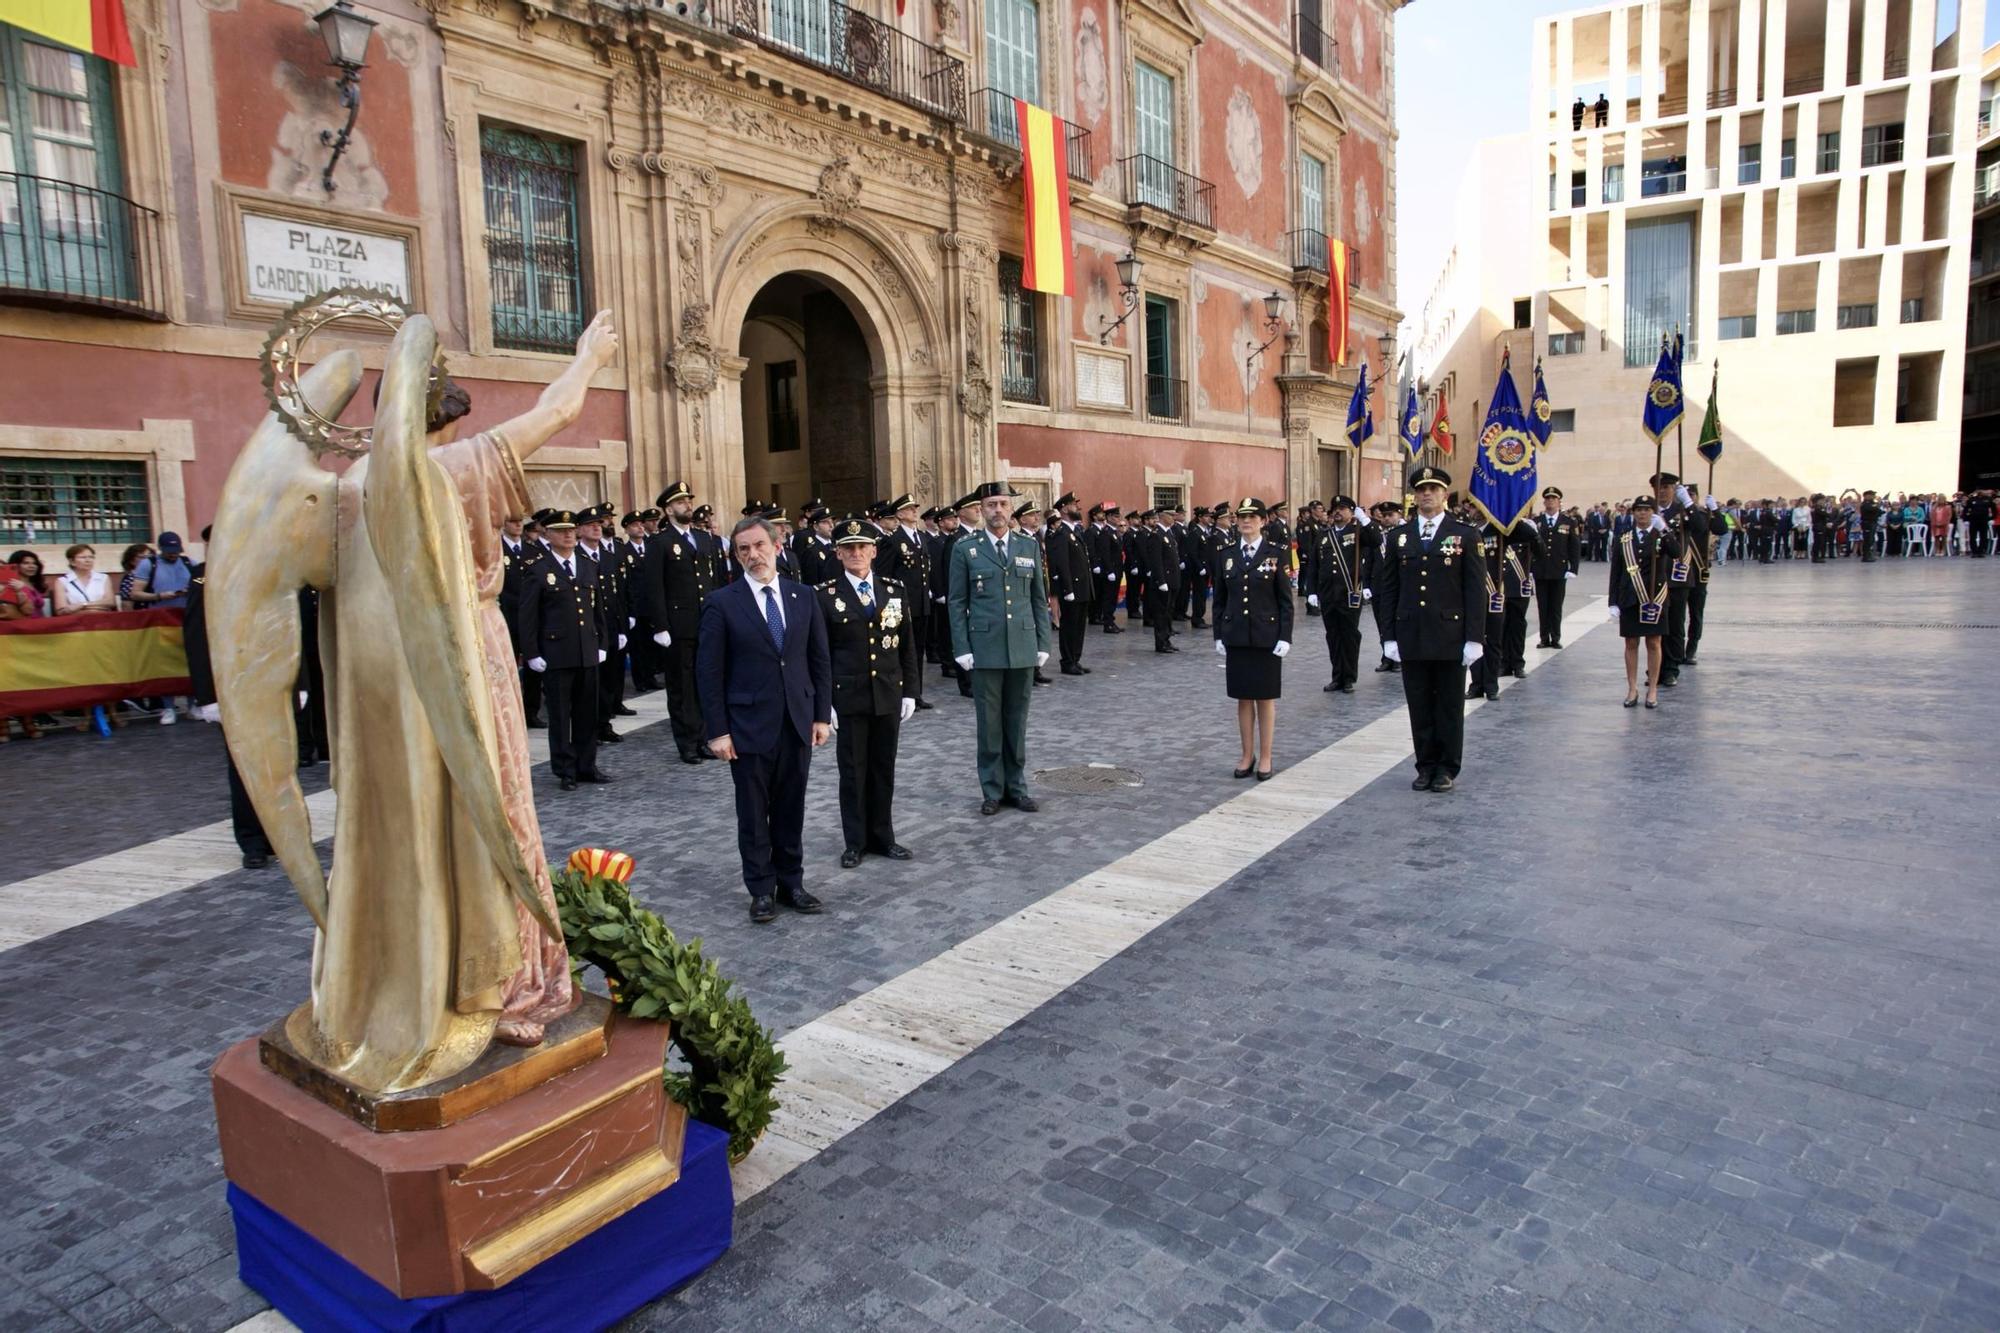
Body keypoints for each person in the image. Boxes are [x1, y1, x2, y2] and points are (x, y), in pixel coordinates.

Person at [696, 515, 833, 923]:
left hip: (797, 720)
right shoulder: (721, 603)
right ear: (736, 556)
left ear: (777, 545)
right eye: (743, 550)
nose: (753, 555)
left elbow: (819, 660)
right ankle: (760, 889)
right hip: (747, 727)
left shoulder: (803, 596)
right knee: (754, 813)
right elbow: (709, 672)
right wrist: (717, 731)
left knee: (792, 807)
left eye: (759, 546)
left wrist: (821, 715)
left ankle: (792, 882)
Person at [1377, 466, 1486, 793]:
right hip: (1412, 635)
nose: (1427, 494)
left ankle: (1447, 768)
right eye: (1421, 489)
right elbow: (1389, 590)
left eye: (1434, 489)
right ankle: (1425, 765)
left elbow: (1475, 590)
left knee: (1450, 705)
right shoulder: (1399, 536)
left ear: (1445, 495)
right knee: (1420, 704)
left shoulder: (1465, 535)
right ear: (1414, 495)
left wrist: (1474, 638)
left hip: (1450, 637)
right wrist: (1388, 636)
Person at [816, 518, 918, 868]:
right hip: (849, 697)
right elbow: (822, 655)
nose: (856, 553)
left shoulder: (894, 590)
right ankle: (855, 842)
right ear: (838, 553)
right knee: (853, 771)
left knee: (883, 768)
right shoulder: (825, 596)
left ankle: (883, 836)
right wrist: (824, 702)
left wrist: (910, 691)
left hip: (888, 693)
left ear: (874, 551)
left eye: (862, 547)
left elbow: (907, 646)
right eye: (849, 548)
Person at [948, 481, 1053, 816]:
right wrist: (962, 647)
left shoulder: (1028, 545)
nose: (997, 510)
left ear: (1011, 509)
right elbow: (956, 602)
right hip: (985, 647)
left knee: (1017, 721)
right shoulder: (966, 548)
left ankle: (1017, 788)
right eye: (990, 504)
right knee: (989, 723)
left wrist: (1043, 641)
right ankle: (992, 789)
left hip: (1022, 645)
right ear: (981, 509)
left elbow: (1038, 597)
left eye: (1003, 504)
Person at [515, 508, 613, 791]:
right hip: (556, 653)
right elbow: (528, 616)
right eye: (561, 530)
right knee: (560, 716)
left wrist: (601, 642)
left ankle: (586, 764)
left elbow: (597, 610)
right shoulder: (538, 568)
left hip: (586, 650)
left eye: (571, 530)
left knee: (587, 713)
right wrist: (531, 653)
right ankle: (565, 769)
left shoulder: (586, 564)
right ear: (547, 534)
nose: (568, 535)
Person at [638, 481, 720, 764]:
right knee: (681, 687)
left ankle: (705, 738)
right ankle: (686, 742)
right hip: (678, 627)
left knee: (705, 683)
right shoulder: (659, 542)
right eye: (682, 501)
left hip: (707, 623)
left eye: (689, 500)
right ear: (669, 508)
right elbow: (654, 587)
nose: (688, 505)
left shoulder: (705, 539)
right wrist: (660, 626)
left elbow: (716, 582)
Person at [1212, 498, 1293, 779]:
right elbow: (1220, 600)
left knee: (1265, 699)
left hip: (1266, 637)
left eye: (1252, 517)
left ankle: (1266, 756)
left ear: (1263, 521)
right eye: (1242, 517)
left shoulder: (1277, 553)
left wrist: (1285, 636)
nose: (1246, 522)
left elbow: (1285, 600)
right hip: (1236, 636)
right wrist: (1218, 634)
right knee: (1243, 699)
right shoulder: (1226, 554)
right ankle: (1247, 754)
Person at [1609, 493, 1680, 709]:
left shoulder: (1661, 535)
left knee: (1654, 642)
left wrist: (1665, 529)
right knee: (1631, 643)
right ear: (1633, 513)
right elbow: (1617, 571)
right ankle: (1632, 688)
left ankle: (1653, 689)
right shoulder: (1624, 537)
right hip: (1630, 597)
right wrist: (1613, 601)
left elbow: (1676, 552)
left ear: (1653, 513)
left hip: (1654, 599)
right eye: (1638, 509)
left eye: (1647, 509)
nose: (1642, 513)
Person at [1307, 495, 1375, 693]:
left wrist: (1366, 520)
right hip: (1329, 594)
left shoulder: (1358, 531)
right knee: (1333, 636)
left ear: (1351, 512)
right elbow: (1314, 565)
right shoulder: (1323, 535)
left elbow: (1376, 540)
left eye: (1343, 508)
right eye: (1335, 508)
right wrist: (1311, 591)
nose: (1338, 511)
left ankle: (1349, 677)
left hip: (1349, 592)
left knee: (1350, 635)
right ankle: (1337, 675)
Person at [1043, 492, 1093, 676]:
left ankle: (1075, 659)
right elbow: (1061, 563)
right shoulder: (1061, 534)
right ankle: (1067, 661)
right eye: (1073, 505)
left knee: (1079, 626)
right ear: (1064, 509)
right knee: (1069, 626)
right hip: (1071, 588)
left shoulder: (1074, 531)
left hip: (1081, 588)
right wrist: (1067, 589)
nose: (1078, 508)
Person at [1531, 487, 1579, 648]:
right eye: (1548, 498)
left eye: (1554, 499)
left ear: (1559, 502)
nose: (1550, 501)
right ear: (1544, 501)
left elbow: (1574, 547)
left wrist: (1573, 569)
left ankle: (1556, 637)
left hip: (1559, 570)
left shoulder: (1568, 522)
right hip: (1541, 570)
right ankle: (1544, 637)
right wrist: (1530, 567)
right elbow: (1530, 546)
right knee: (1542, 606)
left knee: (1556, 605)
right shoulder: (1537, 522)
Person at [129, 532, 194, 610]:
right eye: (169, 552)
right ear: (160, 548)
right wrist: (159, 596)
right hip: (158, 615)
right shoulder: (148, 564)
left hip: (186, 613)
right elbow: (135, 594)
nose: (173, 555)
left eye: (176, 552)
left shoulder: (190, 563)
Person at [53, 544, 117, 616]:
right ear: (72, 561)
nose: (88, 560)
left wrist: (83, 605)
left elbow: (110, 602)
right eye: (83, 557)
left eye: (91, 557)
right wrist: (96, 608)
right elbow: (62, 610)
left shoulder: (103, 578)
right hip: (75, 621)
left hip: (103, 620)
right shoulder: (62, 581)